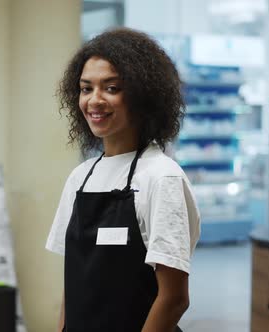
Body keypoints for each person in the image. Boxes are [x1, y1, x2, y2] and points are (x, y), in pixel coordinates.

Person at [45, 28, 201, 332]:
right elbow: (75, 286)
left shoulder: (161, 177)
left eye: (111, 88)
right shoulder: (80, 177)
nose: (94, 100)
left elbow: (174, 299)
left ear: (142, 95)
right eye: (86, 88)